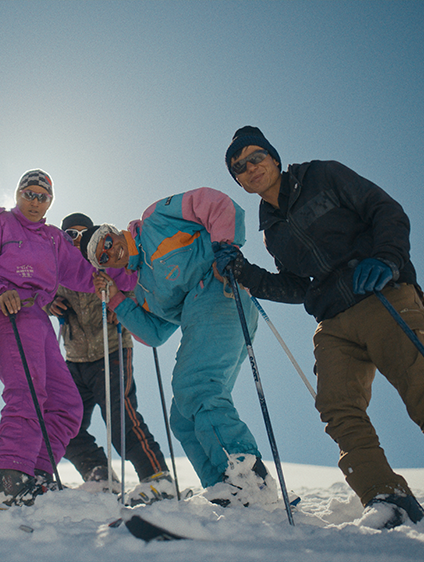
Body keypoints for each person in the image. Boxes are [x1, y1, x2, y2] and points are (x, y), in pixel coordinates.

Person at [217, 125, 424, 535]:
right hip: (332, 321)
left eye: (255, 156)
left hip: (381, 293)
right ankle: (387, 498)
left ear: (274, 157)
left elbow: (384, 209)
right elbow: (295, 285)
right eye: (239, 167)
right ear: (238, 180)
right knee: (336, 407)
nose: (249, 167)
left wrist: (387, 257)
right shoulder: (271, 230)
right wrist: (245, 273)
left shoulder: (321, 175)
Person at [86, 188, 280, 509]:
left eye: (106, 240)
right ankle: (223, 487)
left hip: (220, 289)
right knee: (181, 416)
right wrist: (118, 300)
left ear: (113, 231)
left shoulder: (154, 221)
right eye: (101, 257)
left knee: (196, 386)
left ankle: (249, 479)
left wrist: (225, 250)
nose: (109, 251)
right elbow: (155, 332)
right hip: (198, 317)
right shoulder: (143, 288)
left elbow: (215, 203)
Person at [0, 170, 135, 507]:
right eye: (29, 194)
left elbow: (84, 273)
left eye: (43, 197)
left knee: (67, 404)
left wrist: (113, 279)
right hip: (9, 310)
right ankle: (10, 478)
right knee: (27, 391)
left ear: (50, 202)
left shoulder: (54, 239)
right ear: (18, 195)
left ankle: (38, 475)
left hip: (39, 318)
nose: (35, 201)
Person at [46, 213, 172, 504]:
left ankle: (156, 477)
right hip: (75, 357)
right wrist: (50, 305)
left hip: (112, 348)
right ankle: (99, 473)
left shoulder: (103, 264)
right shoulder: (58, 269)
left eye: (81, 234)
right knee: (65, 423)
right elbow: (40, 295)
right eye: (69, 236)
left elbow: (134, 283)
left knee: (120, 417)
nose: (75, 241)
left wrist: (121, 302)